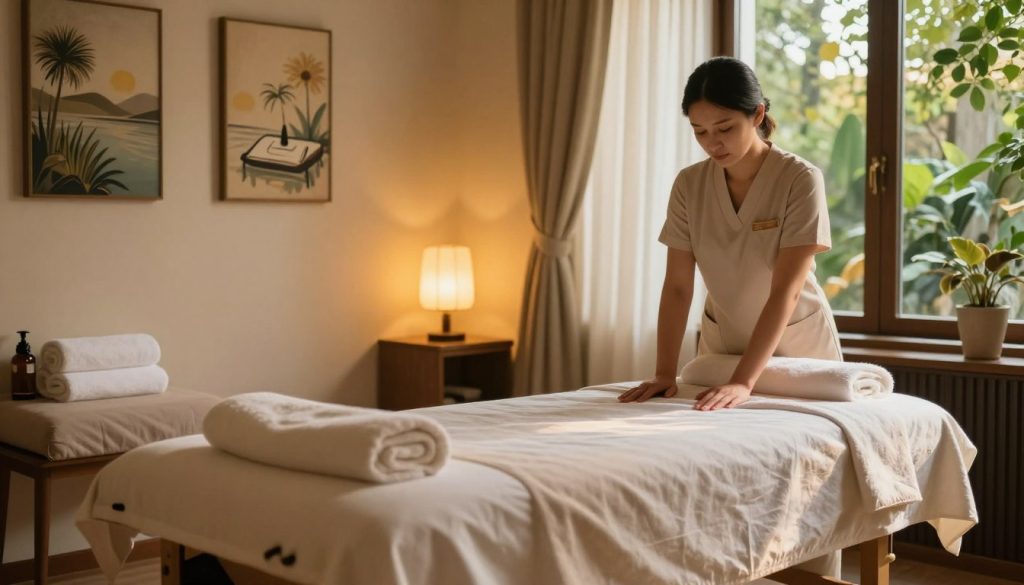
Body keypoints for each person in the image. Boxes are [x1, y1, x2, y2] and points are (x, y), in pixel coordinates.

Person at [618, 56, 842, 410]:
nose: (713, 143)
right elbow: (677, 286)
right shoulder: (689, 185)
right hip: (723, 350)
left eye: (725, 128)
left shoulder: (799, 179)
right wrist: (664, 373)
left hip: (798, 348)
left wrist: (743, 381)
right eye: (700, 131)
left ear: (756, 115)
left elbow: (788, 289)